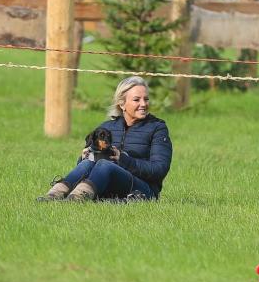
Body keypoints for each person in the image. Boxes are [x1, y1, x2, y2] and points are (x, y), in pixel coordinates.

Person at [39, 76, 172, 201]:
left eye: (146, 99)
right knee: (87, 163)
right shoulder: (107, 127)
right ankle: (54, 195)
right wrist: (84, 157)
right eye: (137, 100)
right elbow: (86, 165)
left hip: (143, 189)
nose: (143, 104)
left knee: (104, 164)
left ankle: (77, 198)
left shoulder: (157, 128)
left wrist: (124, 159)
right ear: (122, 104)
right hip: (108, 184)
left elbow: (160, 169)